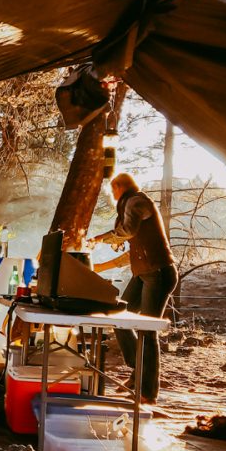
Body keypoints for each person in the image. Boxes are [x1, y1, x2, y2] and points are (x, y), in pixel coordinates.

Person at [91, 173, 177, 404]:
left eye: (113, 189)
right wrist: (100, 266)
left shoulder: (137, 202)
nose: (112, 195)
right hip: (145, 273)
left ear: (119, 186)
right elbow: (131, 251)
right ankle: (138, 371)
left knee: (147, 331)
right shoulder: (129, 205)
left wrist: (101, 239)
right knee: (119, 316)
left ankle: (148, 392)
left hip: (158, 273)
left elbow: (127, 231)